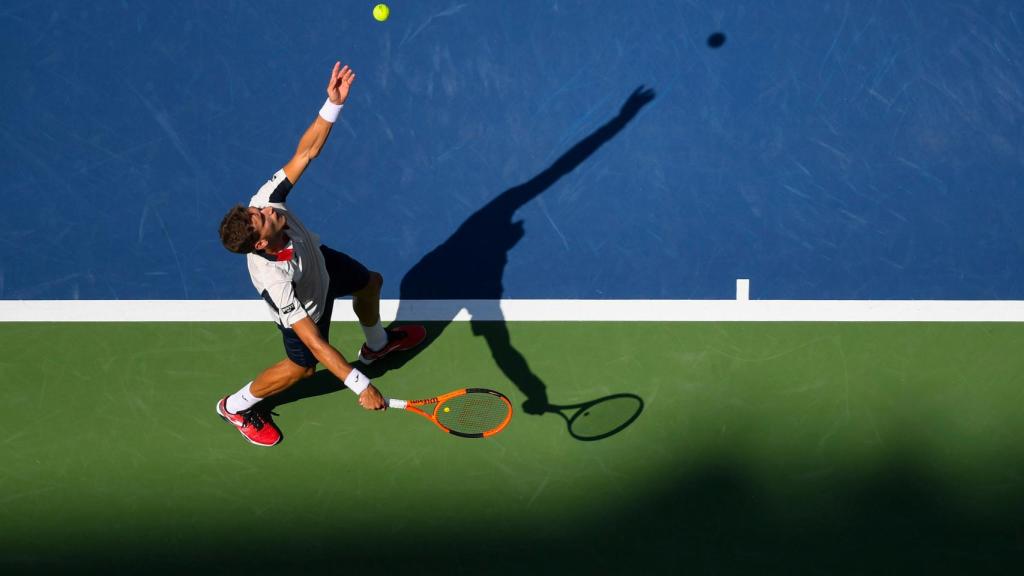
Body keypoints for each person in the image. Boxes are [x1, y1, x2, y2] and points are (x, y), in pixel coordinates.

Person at [215, 61, 425, 447]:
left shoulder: (266, 201)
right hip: (304, 302)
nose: (262, 209)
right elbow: (314, 342)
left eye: (256, 210)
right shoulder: (275, 282)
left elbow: (306, 152)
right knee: (302, 368)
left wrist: (333, 105)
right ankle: (236, 406)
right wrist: (360, 385)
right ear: (261, 243)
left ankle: (377, 346)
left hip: (320, 263)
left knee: (369, 283)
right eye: (260, 218)